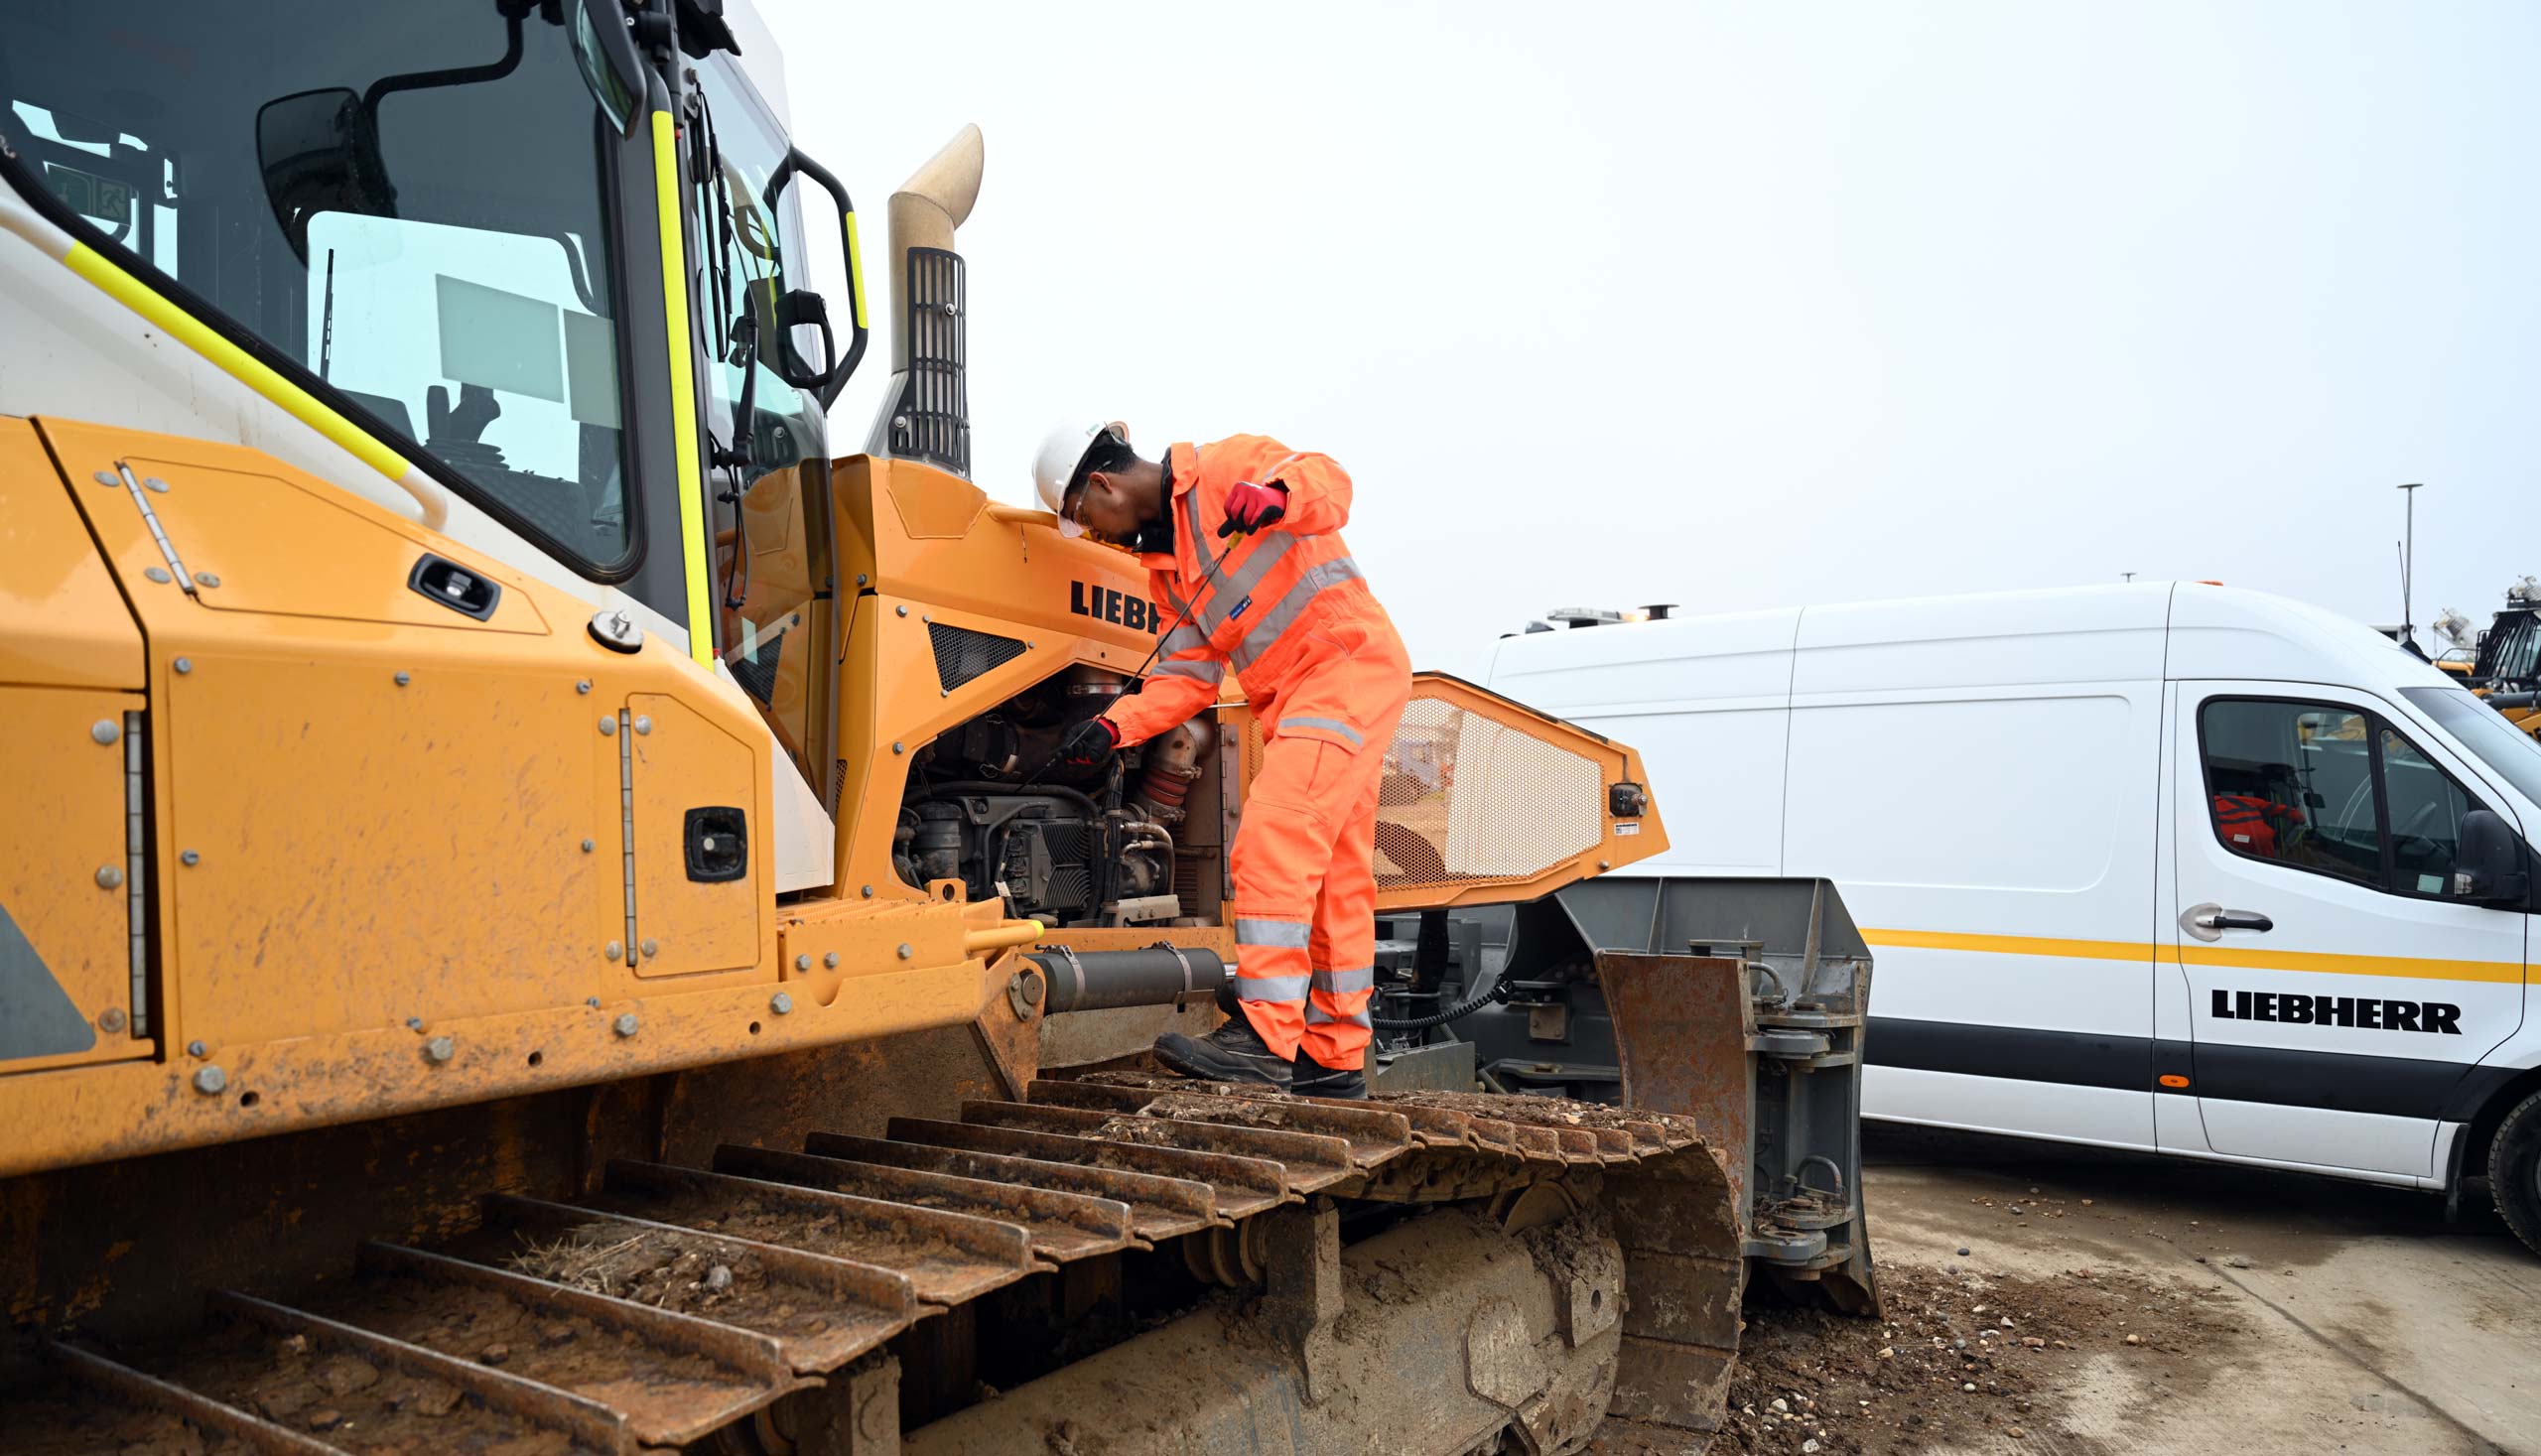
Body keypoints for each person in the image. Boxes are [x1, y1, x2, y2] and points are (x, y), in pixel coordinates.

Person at [1030, 419, 1412, 1098]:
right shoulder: (1169, 577)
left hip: (1343, 666)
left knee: (1273, 840)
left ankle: (1264, 1038)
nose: (1092, 533)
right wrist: (1112, 728)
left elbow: (1333, 482)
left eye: (1084, 518)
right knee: (1335, 881)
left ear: (1104, 483)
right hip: (1306, 695)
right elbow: (1187, 681)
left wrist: (1277, 494)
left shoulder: (1226, 468)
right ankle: (1333, 1056)